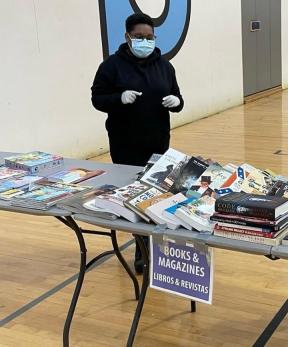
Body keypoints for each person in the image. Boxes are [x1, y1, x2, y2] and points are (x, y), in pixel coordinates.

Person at [91, 13, 184, 274]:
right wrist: (118, 98)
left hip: (158, 141)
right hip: (125, 142)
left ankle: (157, 241)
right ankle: (141, 248)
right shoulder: (111, 66)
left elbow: (177, 95)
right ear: (128, 37)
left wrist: (177, 102)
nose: (145, 41)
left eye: (150, 37)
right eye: (140, 37)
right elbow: (98, 98)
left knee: (156, 192)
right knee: (133, 194)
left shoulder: (164, 65)